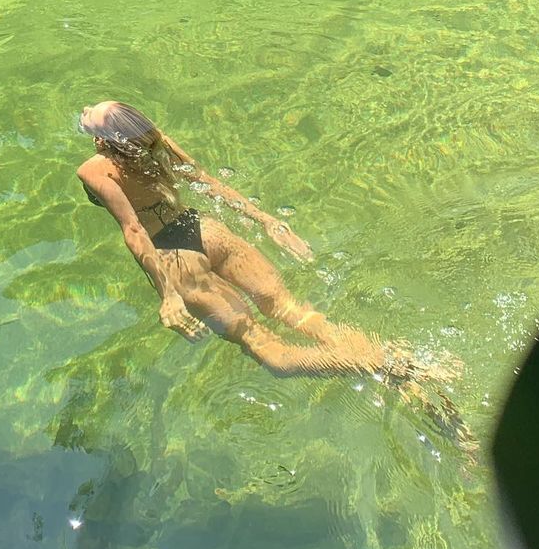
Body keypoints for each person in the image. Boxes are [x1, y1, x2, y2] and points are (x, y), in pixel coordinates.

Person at [76, 100, 439, 383]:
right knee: (291, 309)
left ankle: (384, 367)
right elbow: (207, 182)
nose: (87, 113)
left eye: (91, 121)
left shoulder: (93, 170)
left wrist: (168, 293)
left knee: (271, 353)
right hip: (205, 230)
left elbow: (134, 231)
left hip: (176, 258)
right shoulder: (157, 142)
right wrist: (267, 221)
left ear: (104, 141)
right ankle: (397, 360)